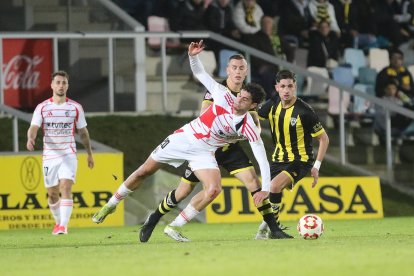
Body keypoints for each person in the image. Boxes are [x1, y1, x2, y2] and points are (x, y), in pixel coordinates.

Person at [92, 40, 290, 240]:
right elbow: (200, 75)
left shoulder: (250, 124)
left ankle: (174, 227)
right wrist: (193, 56)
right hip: (185, 139)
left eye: (242, 69)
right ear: (228, 70)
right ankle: (111, 205)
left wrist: (265, 189)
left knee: (214, 189)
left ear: (252, 104)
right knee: (146, 172)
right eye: (234, 67)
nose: (239, 99)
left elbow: (262, 159)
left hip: (206, 151)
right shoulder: (220, 93)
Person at [254, 69, 329, 239]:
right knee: (265, 192)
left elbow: (324, 139)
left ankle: (272, 229)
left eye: (290, 86)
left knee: (274, 186)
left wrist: (316, 166)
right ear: (277, 87)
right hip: (278, 159)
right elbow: (254, 116)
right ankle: (273, 225)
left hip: (301, 160)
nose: (286, 90)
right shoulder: (272, 106)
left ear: (295, 86)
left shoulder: (305, 111)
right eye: (282, 86)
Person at [26, 70, 94, 235]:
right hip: (49, 156)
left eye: (64, 83)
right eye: (58, 82)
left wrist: (89, 154)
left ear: (67, 86)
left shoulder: (75, 108)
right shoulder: (42, 107)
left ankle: (63, 226)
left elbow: (83, 133)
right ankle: (58, 222)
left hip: (68, 154)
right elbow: (33, 127)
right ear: (51, 85)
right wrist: (31, 139)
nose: (61, 85)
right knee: (52, 193)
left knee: (66, 187)